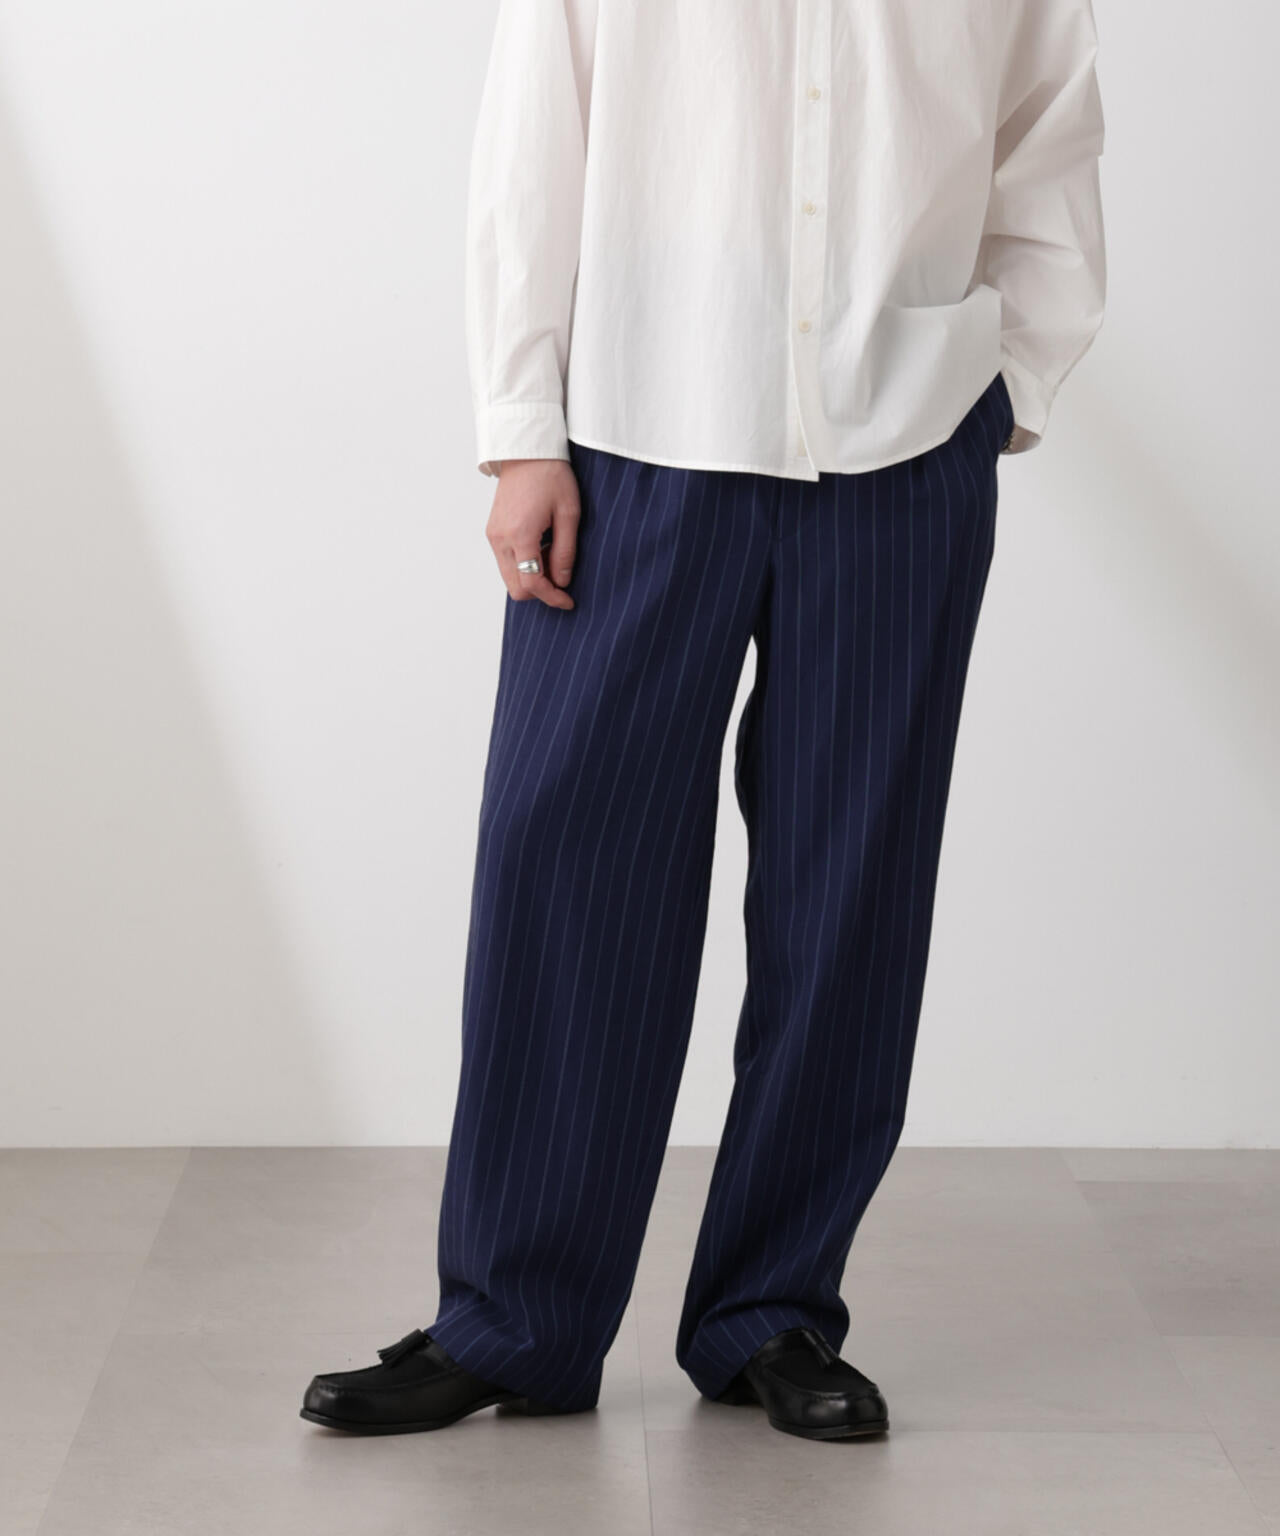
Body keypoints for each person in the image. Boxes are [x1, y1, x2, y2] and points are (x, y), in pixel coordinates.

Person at [301, 0, 1106, 1442]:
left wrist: (1010, 389)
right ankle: (514, 1320)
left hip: (905, 442)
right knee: (565, 864)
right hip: (637, 426)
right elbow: (534, 144)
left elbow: (1047, 130)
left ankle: (772, 1312)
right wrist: (521, 431)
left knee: (848, 894)